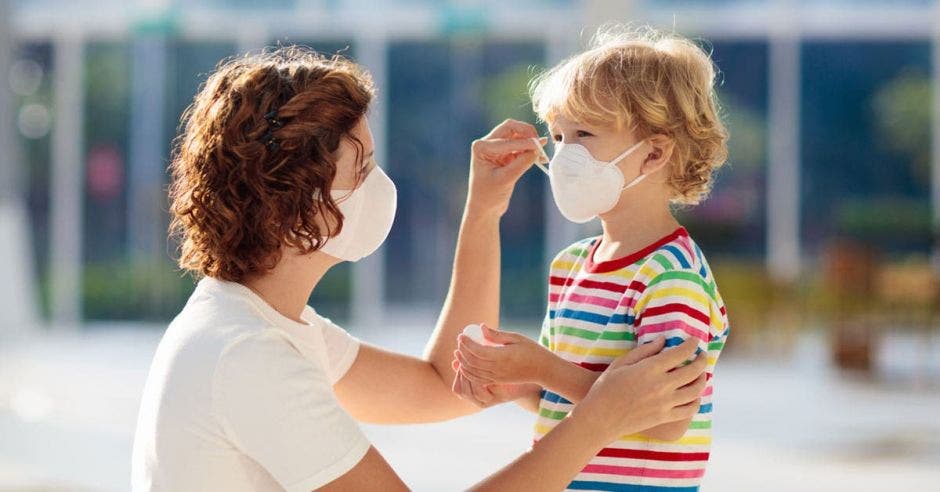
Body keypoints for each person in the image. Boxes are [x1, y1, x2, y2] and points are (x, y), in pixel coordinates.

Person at [130, 46, 708, 492]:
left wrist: (483, 212)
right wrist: (600, 417)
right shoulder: (247, 355)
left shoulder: (266, 327)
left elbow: (442, 385)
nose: (384, 186)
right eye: (364, 169)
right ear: (303, 203)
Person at [453, 26, 731, 491]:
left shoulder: (671, 276)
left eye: (583, 134)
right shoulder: (570, 265)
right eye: (558, 136)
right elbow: (571, 399)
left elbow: (665, 418)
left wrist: (540, 366)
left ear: (654, 153)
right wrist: (514, 385)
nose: (563, 155)